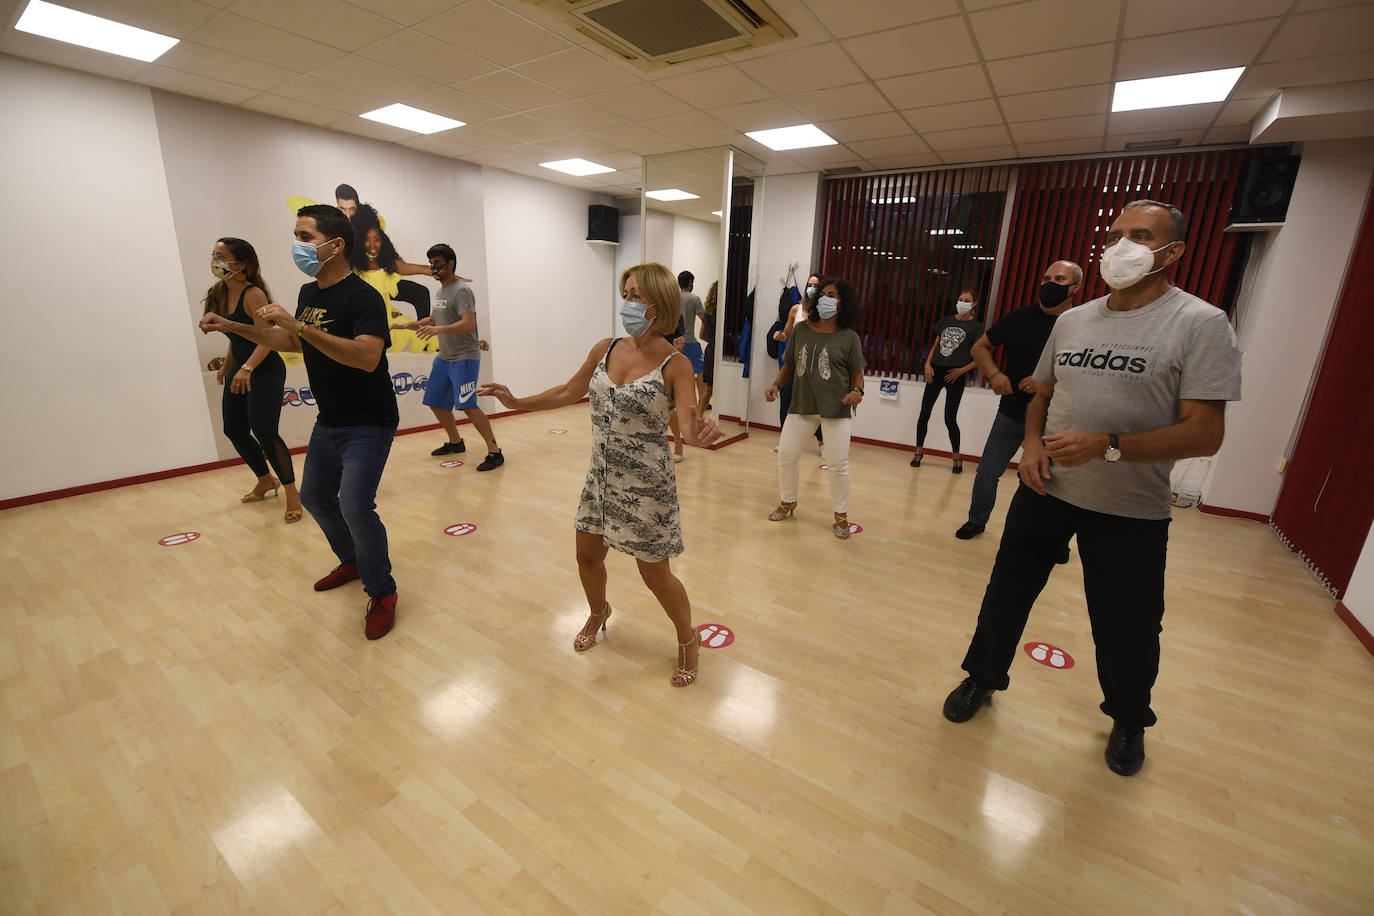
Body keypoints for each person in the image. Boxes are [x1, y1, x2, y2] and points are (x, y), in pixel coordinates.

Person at [941, 200, 1242, 777]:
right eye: (1114, 234)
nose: (1121, 246)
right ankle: (982, 677)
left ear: (1172, 252)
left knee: (1127, 621)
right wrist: (1031, 444)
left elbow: (1206, 433)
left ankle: (1129, 718)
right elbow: (1043, 396)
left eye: (1140, 236)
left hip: (1130, 507)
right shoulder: (1073, 321)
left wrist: (1110, 445)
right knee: (1007, 592)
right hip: (1046, 486)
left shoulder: (1201, 324)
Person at [478, 263, 721, 686]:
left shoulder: (676, 364)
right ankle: (598, 611)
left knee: (655, 574)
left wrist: (700, 433)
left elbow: (686, 422)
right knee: (587, 557)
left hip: (647, 489)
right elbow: (566, 392)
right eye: (625, 293)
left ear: (659, 303)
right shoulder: (605, 348)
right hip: (601, 479)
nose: (627, 302)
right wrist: (515, 402)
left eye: (636, 295)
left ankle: (688, 639)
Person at [199, 205, 401, 640]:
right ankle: (351, 560)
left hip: (370, 420)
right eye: (296, 235)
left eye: (305, 237)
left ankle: (382, 591)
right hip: (329, 420)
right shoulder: (310, 294)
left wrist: (299, 329)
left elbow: (367, 358)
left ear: (335, 245)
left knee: (354, 505)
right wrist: (233, 327)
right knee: (314, 497)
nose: (297, 245)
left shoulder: (364, 297)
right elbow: (288, 340)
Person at [956, 261, 1082, 559]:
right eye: (1047, 277)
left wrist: (1046, 387)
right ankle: (977, 521)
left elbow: (1088, 379)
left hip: (1057, 421)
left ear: (1075, 287)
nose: (1051, 283)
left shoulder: (1081, 323)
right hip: (1012, 413)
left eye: (1060, 279)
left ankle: (1057, 541)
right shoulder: (1019, 318)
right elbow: (980, 349)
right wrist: (995, 374)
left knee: (1053, 485)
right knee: (987, 473)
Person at [202, 238, 302, 523]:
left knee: (264, 430)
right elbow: (238, 334)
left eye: (222, 256)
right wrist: (229, 365)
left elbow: (267, 338)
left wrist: (246, 367)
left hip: (264, 367)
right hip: (241, 366)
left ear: (241, 263)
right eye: (214, 255)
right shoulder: (218, 293)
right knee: (233, 428)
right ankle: (264, 479)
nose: (216, 261)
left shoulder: (253, 293)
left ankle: (292, 492)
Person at [764, 277, 865, 539]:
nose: (825, 298)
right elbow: (788, 364)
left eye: (832, 295)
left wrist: (857, 392)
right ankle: (788, 501)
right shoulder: (801, 330)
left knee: (838, 463)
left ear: (842, 304)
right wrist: (776, 384)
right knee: (786, 455)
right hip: (802, 405)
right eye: (823, 294)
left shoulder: (849, 337)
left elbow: (857, 374)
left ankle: (841, 515)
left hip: (836, 408)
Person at [392, 244, 504, 470]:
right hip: (445, 358)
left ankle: (495, 451)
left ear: (451, 264)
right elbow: (434, 320)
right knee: (435, 401)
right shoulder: (441, 291)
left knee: (468, 405)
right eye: (431, 263)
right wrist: (406, 326)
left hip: (465, 357)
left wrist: (440, 330)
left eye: (437, 262)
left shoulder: (462, 290)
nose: (433, 267)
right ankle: (455, 442)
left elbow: (468, 323)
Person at [912, 289, 985, 473]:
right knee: (924, 413)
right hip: (936, 370)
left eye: (967, 300)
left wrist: (961, 371)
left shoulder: (976, 327)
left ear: (974, 304)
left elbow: (979, 358)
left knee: (949, 418)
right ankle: (918, 452)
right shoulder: (945, 321)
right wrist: (927, 364)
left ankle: (956, 457)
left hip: (956, 374)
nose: (962, 302)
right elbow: (935, 346)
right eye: (960, 299)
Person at [348, 204, 437, 352]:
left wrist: (446, 274)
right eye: (367, 240)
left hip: (386, 287)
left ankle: (424, 338)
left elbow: (420, 269)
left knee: (420, 292)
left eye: (376, 239)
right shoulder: (352, 256)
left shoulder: (386, 257)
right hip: (365, 295)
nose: (372, 245)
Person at [771, 273, 823, 451]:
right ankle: (785, 440)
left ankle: (822, 443)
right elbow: (786, 333)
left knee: (816, 404)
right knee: (786, 400)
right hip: (793, 363)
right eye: (809, 284)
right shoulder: (796, 309)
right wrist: (780, 336)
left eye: (816, 286)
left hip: (813, 366)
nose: (812, 288)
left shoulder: (824, 313)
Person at [678, 271, 707, 408]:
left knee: (679, 373)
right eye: (692, 282)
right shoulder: (695, 299)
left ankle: (683, 402)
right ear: (690, 283)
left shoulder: (673, 298)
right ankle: (702, 400)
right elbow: (705, 319)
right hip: (690, 341)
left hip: (676, 343)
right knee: (700, 370)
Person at [699, 280, 718, 412]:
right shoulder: (724, 313)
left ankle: (698, 418)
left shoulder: (709, 312)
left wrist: (712, 342)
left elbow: (702, 335)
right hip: (721, 352)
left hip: (710, 350)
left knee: (708, 390)